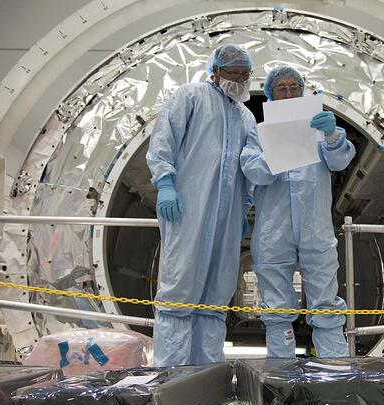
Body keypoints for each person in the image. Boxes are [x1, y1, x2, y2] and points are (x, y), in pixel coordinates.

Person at [146, 44, 274, 366]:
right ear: (215, 71)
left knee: (215, 297)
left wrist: (244, 207)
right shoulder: (190, 97)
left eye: (244, 74)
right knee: (179, 291)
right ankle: (172, 374)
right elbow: (163, 140)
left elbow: (247, 167)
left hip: (228, 218)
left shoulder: (246, 117)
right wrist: (165, 184)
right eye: (233, 73)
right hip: (188, 209)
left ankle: (205, 373)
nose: (239, 79)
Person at [250, 65, 356, 358]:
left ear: (302, 91)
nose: (288, 93)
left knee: (325, 299)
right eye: (281, 88)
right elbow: (253, 171)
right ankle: (281, 369)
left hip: (315, 229)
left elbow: (340, 161)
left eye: (294, 87)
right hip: (274, 232)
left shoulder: (321, 129)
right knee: (276, 305)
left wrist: (332, 136)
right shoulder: (257, 134)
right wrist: (279, 150)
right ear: (270, 95)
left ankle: (335, 366)